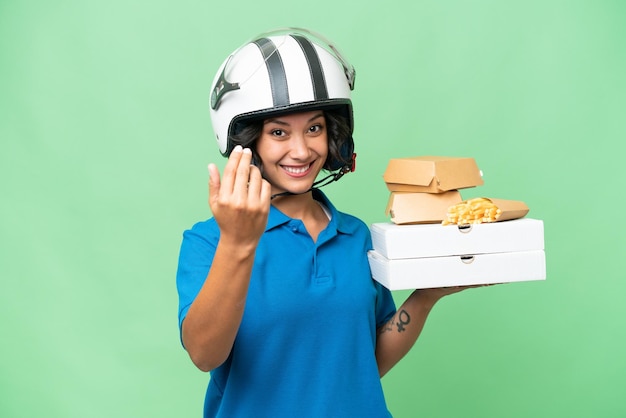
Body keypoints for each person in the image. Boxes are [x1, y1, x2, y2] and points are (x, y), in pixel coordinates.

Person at [176, 27, 477, 418]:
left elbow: (363, 365)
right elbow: (204, 354)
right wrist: (238, 242)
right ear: (248, 144)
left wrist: (426, 296)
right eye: (279, 132)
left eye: (314, 128)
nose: (301, 150)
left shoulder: (357, 236)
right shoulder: (209, 240)